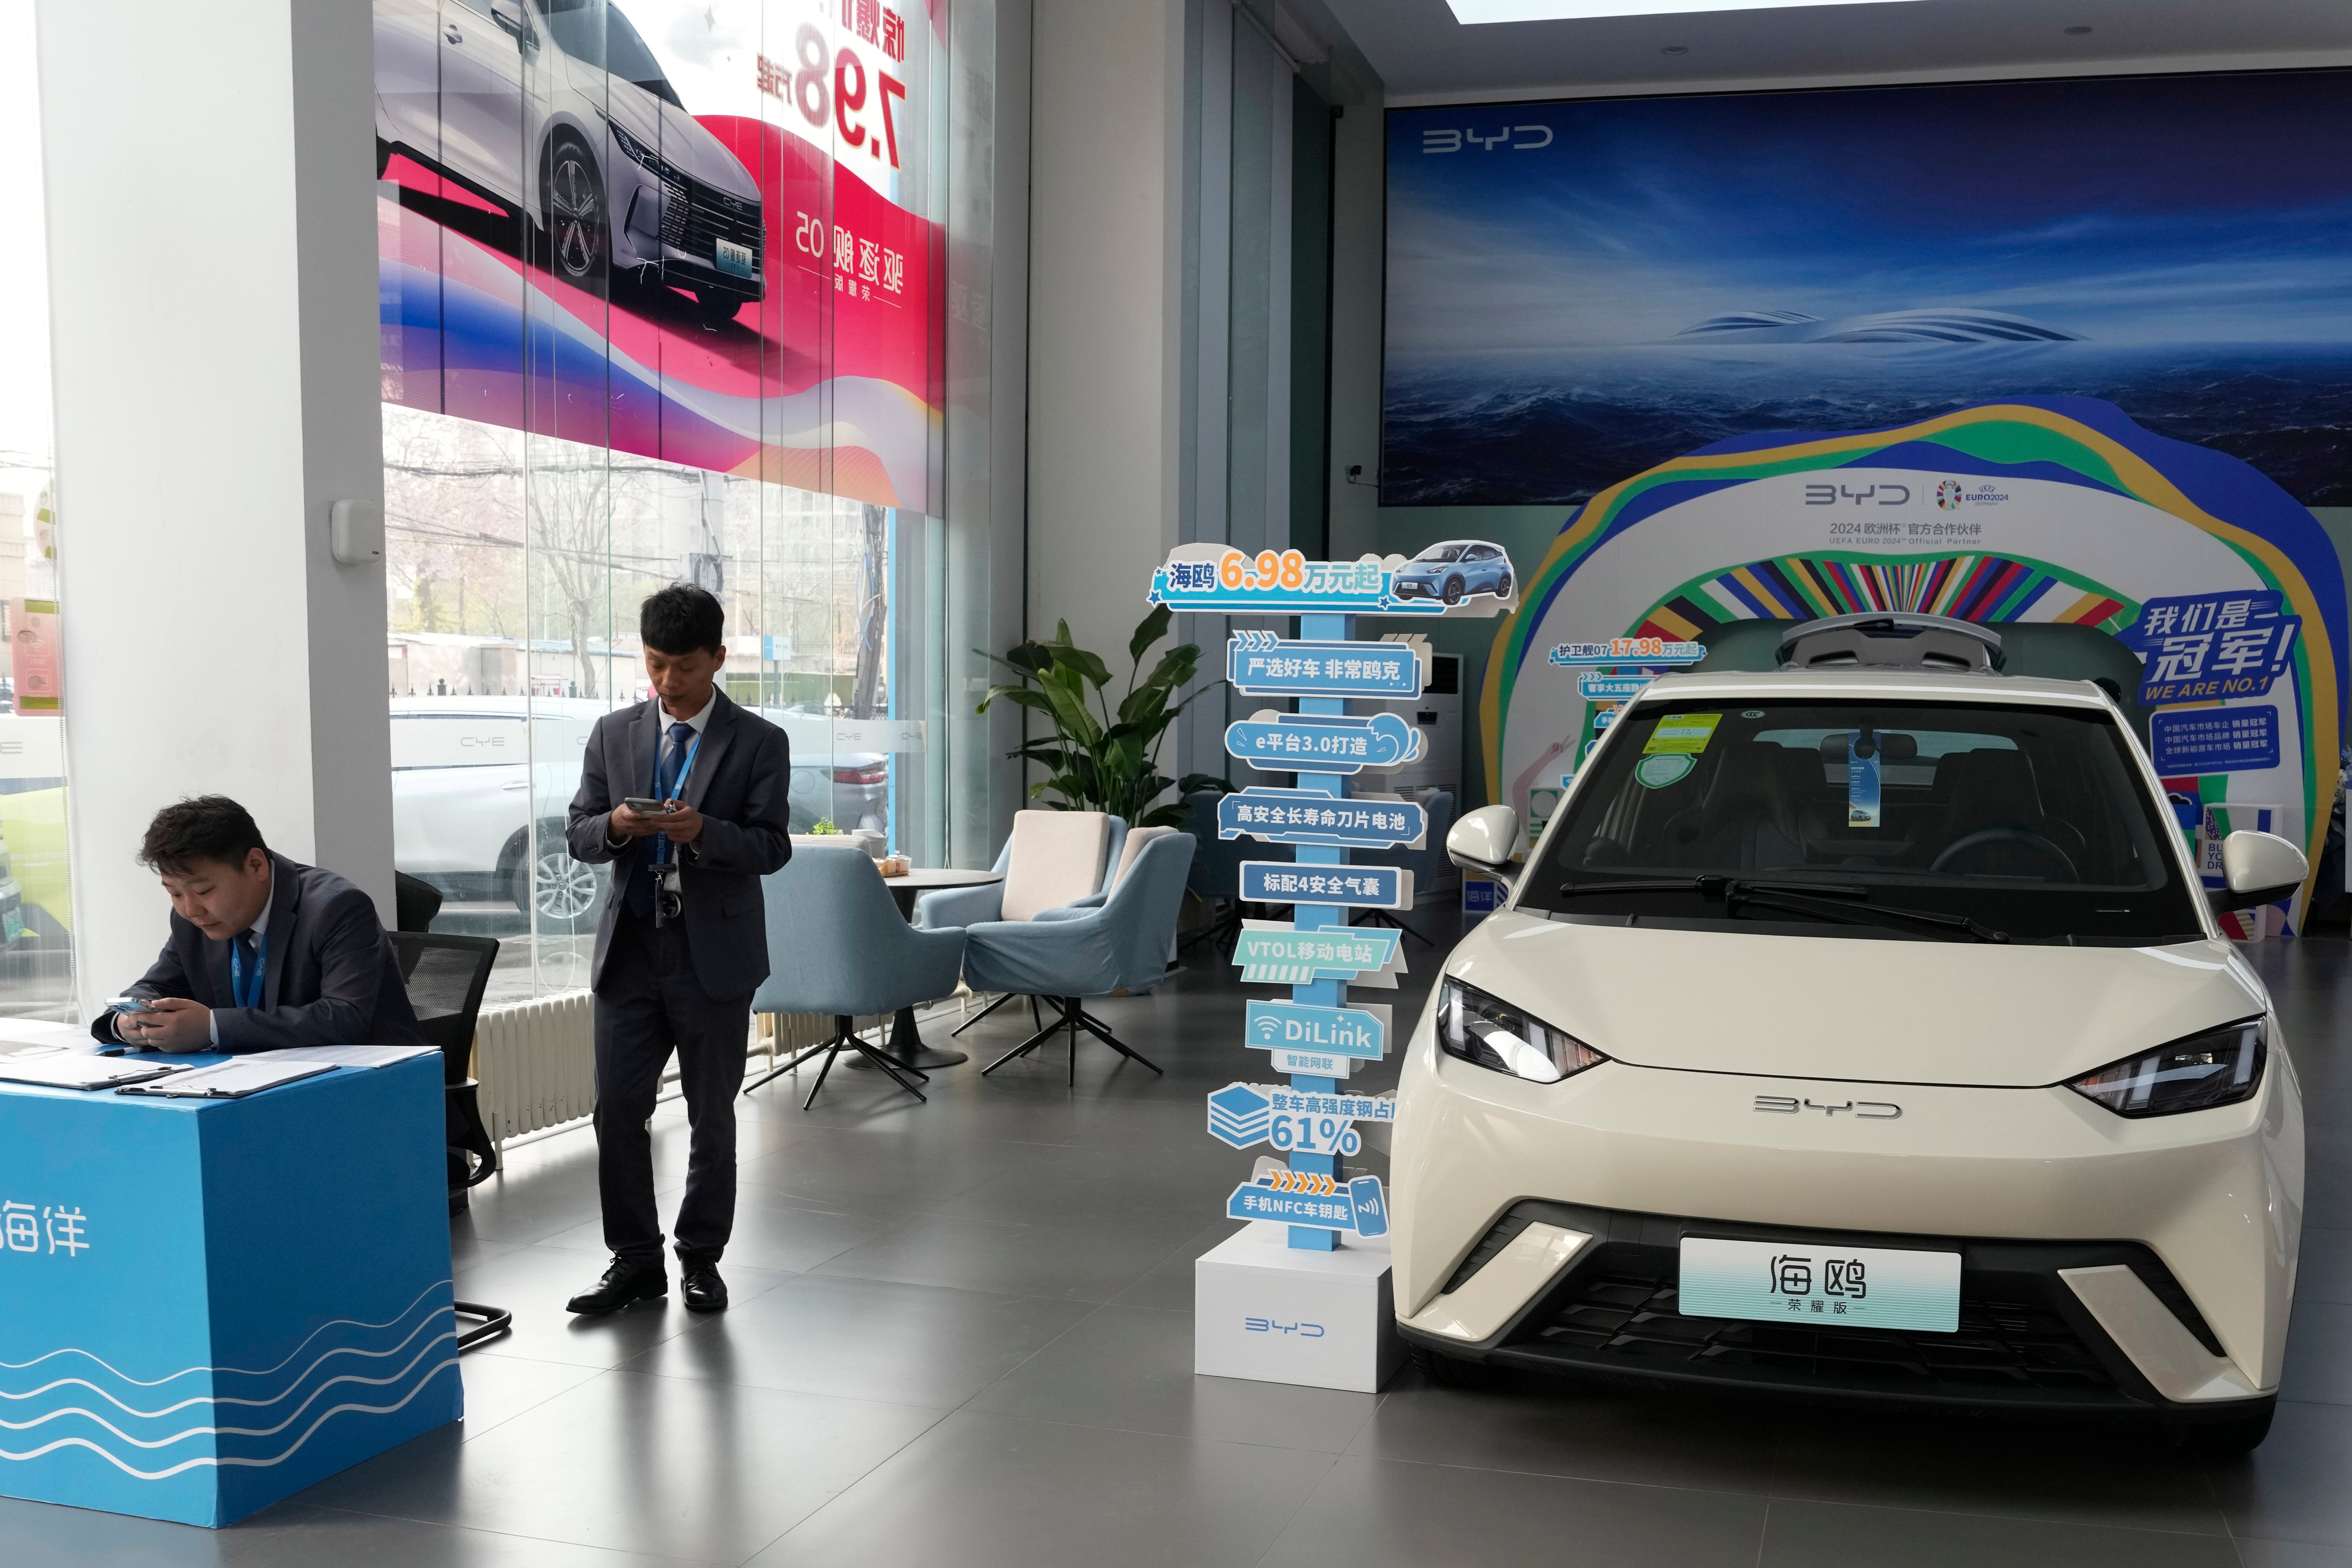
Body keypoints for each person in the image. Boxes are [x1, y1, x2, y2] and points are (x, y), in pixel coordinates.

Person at [563, 583, 791, 1316]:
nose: (667, 682)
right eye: (656, 664)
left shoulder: (759, 741)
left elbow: (772, 846)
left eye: (684, 667)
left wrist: (705, 833)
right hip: (629, 951)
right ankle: (634, 1259)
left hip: (711, 957)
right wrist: (621, 826)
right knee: (617, 1111)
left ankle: (700, 1258)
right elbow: (578, 832)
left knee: (710, 1114)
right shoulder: (612, 733)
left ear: (718, 658)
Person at [96, 796, 423, 1053]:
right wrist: (127, 1020)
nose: (190, 909)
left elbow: (346, 1017)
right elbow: (157, 987)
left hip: (365, 1092)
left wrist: (212, 1028)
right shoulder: (192, 918)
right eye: (174, 893)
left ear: (255, 865)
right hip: (254, 1084)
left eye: (203, 891)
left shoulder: (335, 907)